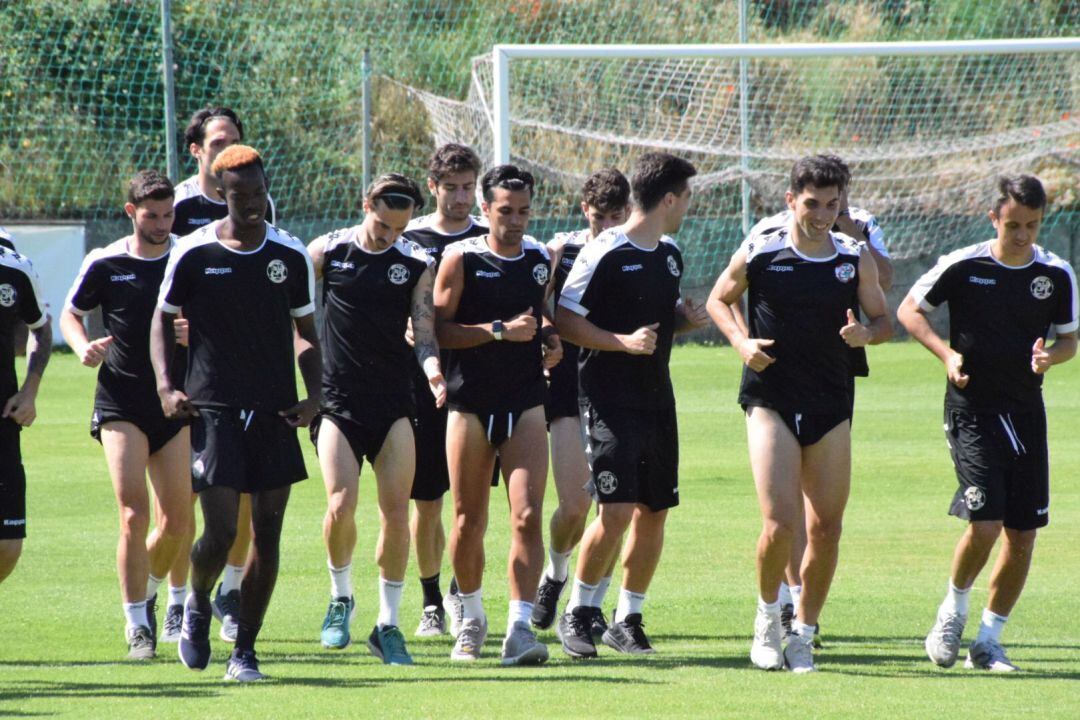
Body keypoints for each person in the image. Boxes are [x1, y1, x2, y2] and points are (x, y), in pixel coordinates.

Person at [707, 154, 891, 673]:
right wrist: (741, 343)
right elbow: (720, 300)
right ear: (791, 200)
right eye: (812, 203)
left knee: (827, 528)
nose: (822, 215)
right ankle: (768, 618)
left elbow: (883, 320)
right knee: (779, 524)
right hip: (771, 397)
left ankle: (804, 633)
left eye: (832, 205)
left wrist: (866, 334)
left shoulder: (855, 255)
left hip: (831, 401)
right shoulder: (763, 248)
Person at [151, 144, 321, 682]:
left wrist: (315, 395)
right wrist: (164, 386)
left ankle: (245, 649)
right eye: (240, 195)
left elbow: (309, 336)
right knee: (221, 532)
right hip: (213, 409)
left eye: (259, 192)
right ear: (221, 194)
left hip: (274, 411)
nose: (251, 203)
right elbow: (162, 320)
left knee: (267, 535)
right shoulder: (195, 252)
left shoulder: (289, 255)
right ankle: (198, 601)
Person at [898, 174, 1077, 672]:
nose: (1023, 235)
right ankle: (951, 614)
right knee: (985, 523)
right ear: (993, 218)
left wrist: (1050, 359)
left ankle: (989, 641)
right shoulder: (963, 265)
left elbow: (1069, 339)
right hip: (971, 410)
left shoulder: (1056, 274)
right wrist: (945, 352)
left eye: (1033, 225)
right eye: (1014, 224)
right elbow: (910, 311)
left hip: (1025, 414)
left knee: (1023, 534)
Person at [554, 153, 709, 659]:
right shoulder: (604, 251)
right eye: (686, 196)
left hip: (657, 399)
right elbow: (565, 319)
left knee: (655, 510)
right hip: (607, 397)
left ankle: (629, 618)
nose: (688, 205)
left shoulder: (670, 253)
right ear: (668, 198)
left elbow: (658, 324)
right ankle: (578, 611)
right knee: (616, 510)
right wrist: (621, 342)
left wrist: (685, 320)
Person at [308, 174, 446, 665]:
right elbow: (294, 313)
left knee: (396, 514)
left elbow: (425, 331)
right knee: (341, 504)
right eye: (382, 223)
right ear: (365, 203)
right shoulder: (327, 251)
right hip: (338, 403)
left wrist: (432, 372)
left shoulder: (416, 262)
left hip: (394, 404)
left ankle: (387, 625)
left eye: (398, 228)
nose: (389, 235)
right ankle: (340, 596)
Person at [60, 171, 192, 659]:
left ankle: (152, 590)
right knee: (134, 514)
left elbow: (214, 320)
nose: (161, 224)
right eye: (151, 215)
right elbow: (70, 315)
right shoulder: (106, 261)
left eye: (168, 214)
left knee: (178, 522)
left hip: (174, 400)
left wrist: (191, 333)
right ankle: (137, 623)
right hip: (121, 401)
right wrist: (81, 347)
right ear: (131, 212)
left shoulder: (189, 256)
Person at [433, 164, 562, 663]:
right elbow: (441, 330)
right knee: (468, 519)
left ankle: (520, 629)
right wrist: (498, 331)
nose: (515, 221)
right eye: (505, 211)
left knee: (527, 516)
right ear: (485, 209)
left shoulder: (537, 258)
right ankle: (470, 617)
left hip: (526, 401)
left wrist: (550, 340)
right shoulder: (460, 258)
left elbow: (542, 311)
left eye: (524, 211)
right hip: (470, 404)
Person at [162, 105, 277, 645]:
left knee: (258, 525)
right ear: (198, 151)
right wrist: (168, 381)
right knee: (203, 516)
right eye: (216, 140)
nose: (250, 204)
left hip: (265, 391)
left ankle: (235, 619)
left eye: (233, 137)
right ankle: (183, 601)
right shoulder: (181, 215)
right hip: (202, 387)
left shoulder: (271, 227)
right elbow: (164, 305)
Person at [531, 168, 631, 637]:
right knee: (573, 506)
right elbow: (540, 308)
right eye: (598, 217)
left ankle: (586, 606)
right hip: (568, 387)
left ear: (628, 211)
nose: (607, 226)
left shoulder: (640, 248)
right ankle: (554, 574)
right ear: (583, 213)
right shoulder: (561, 250)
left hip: (620, 392)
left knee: (611, 508)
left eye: (616, 216)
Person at [400, 143, 489, 638]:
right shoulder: (409, 239)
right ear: (432, 187)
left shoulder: (486, 236)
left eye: (467, 187)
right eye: (451, 187)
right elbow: (390, 301)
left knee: (472, 504)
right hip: (420, 387)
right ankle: (432, 600)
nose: (460, 197)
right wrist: (405, 327)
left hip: (477, 385)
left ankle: (462, 592)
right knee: (427, 501)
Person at [0, 242, 51, 586]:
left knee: (8, 546)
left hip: (3, 419)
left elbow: (41, 329)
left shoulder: (16, 269)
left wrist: (30, 390)